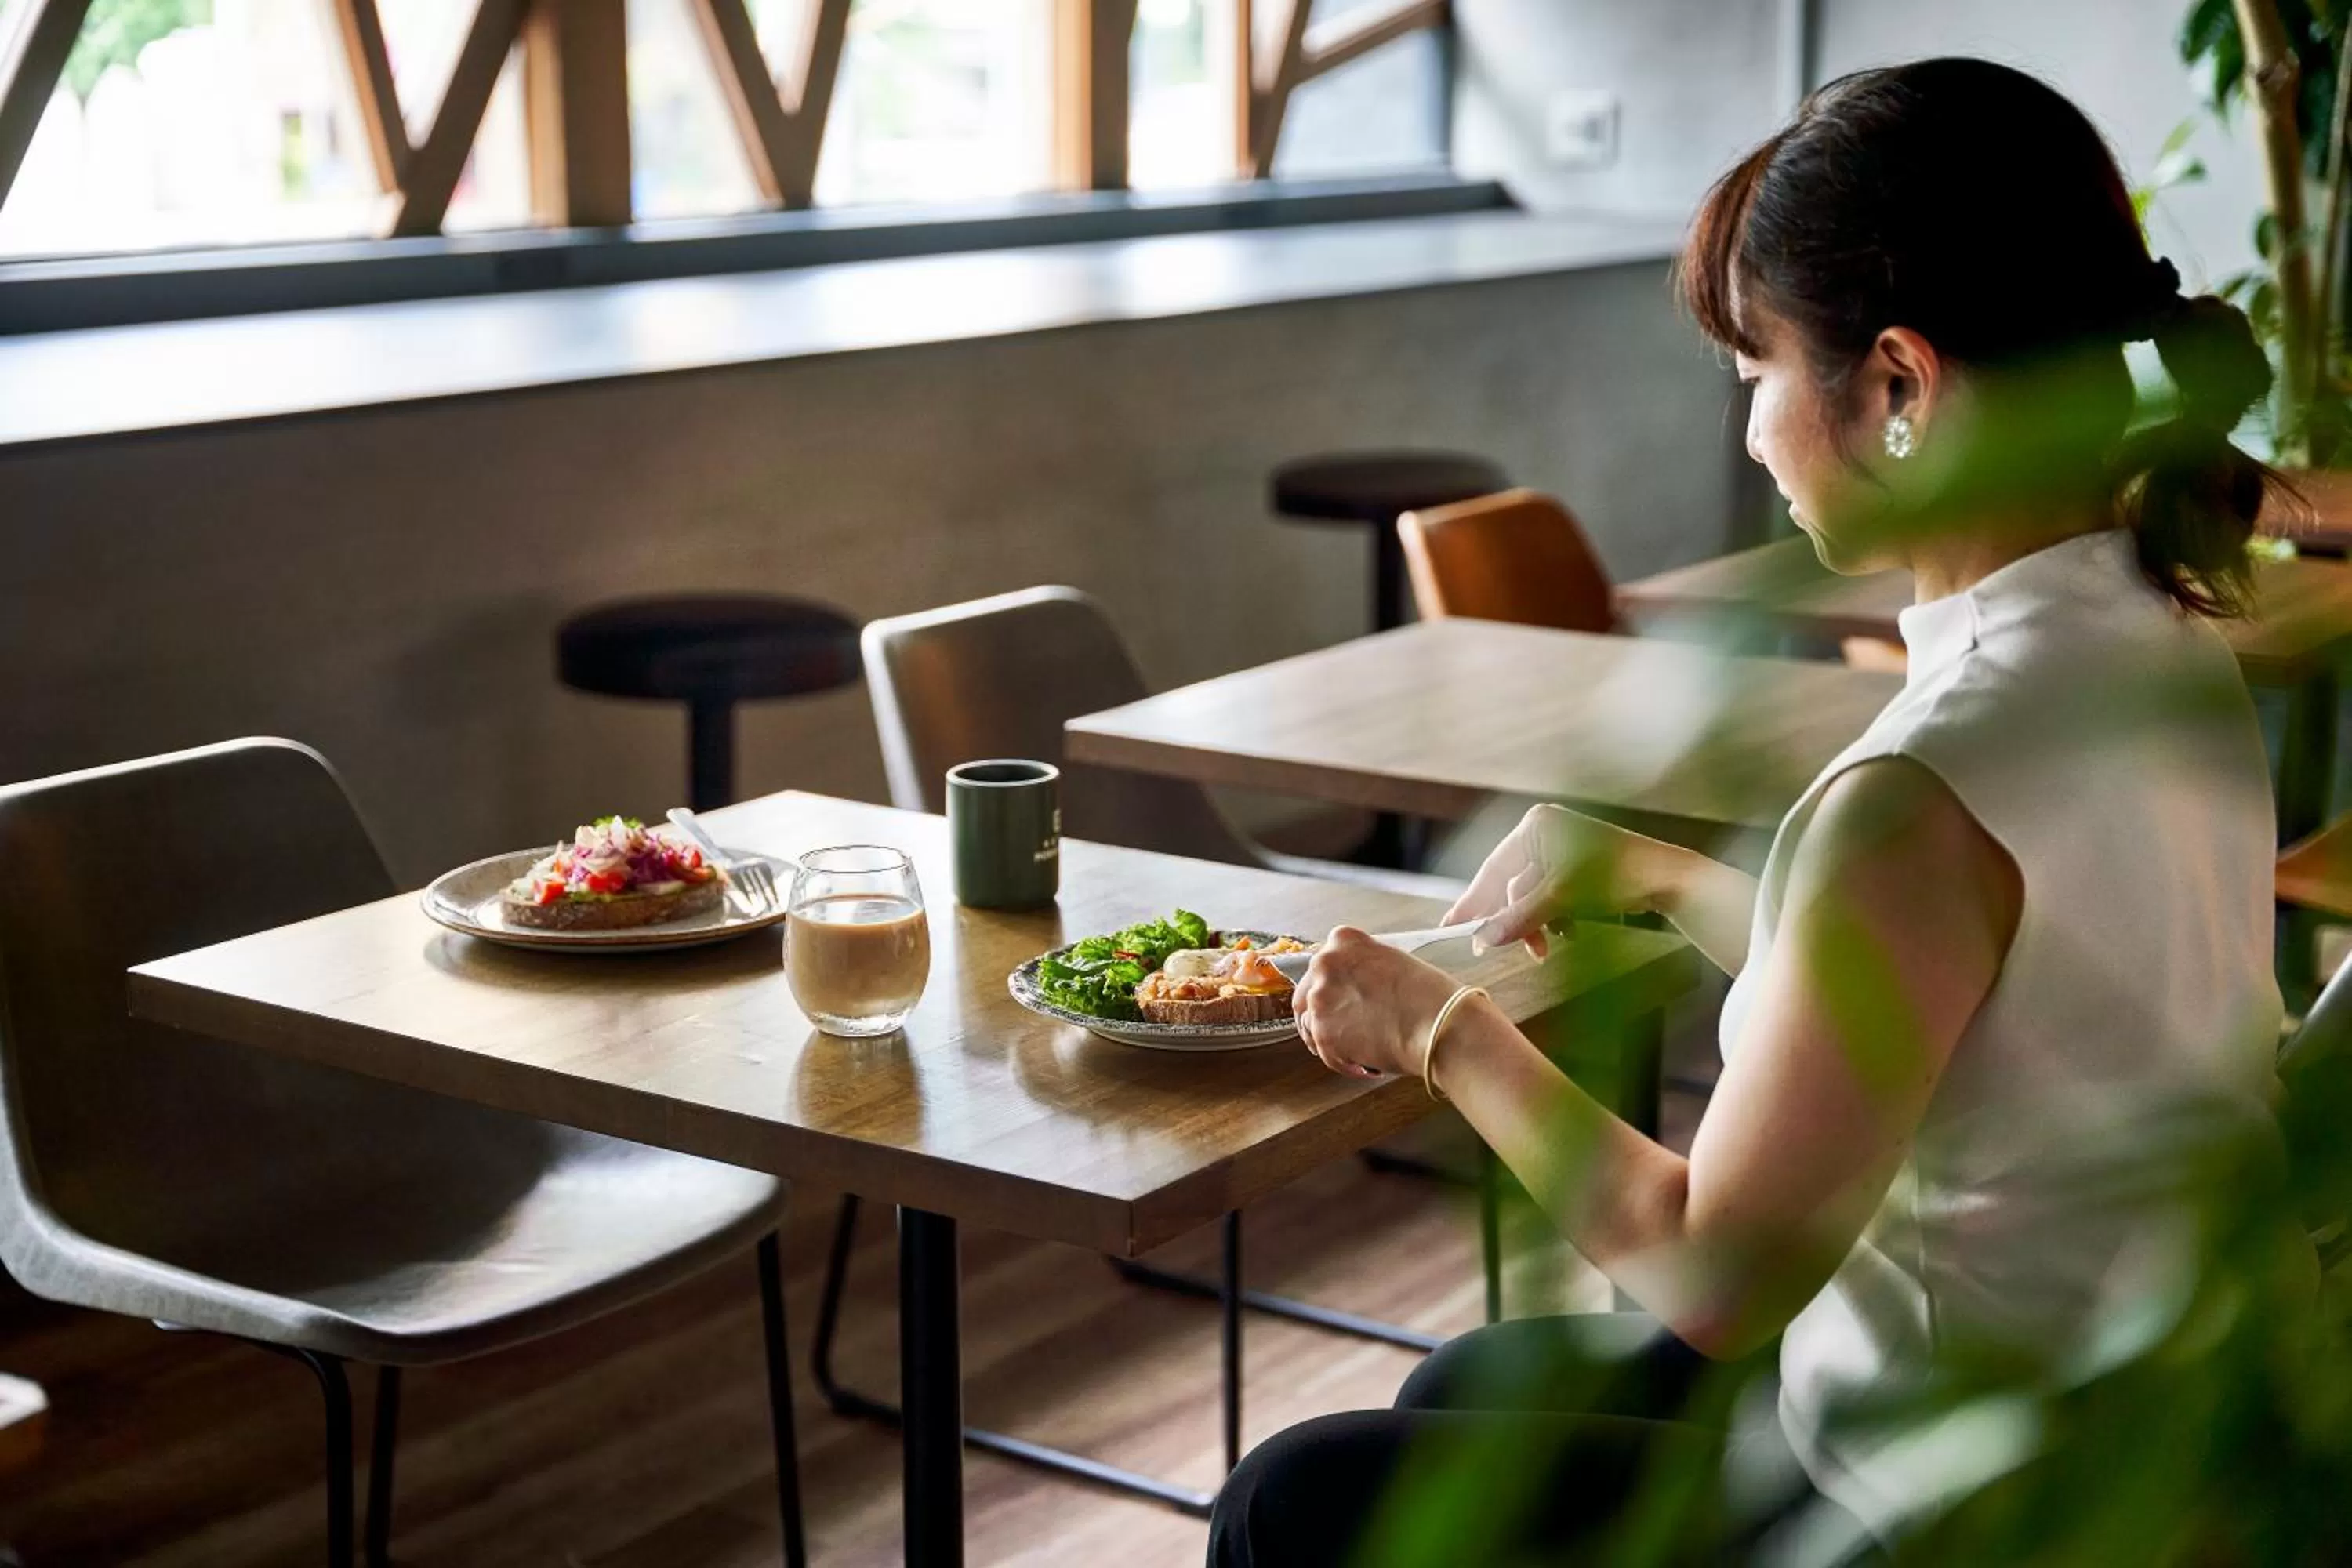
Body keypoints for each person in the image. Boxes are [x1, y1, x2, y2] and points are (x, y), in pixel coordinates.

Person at [1209, 56, 2292, 1566]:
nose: (1752, 434)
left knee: (1287, 1500)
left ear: (1900, 386)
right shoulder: (2156, 637)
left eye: (1754, 372)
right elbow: (1972, 1010)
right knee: (1468, 1380)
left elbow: (1714, 1269)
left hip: (1949, 1498)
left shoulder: (1920, 784)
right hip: (2140, 1417)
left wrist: (1439, 1033)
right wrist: (1653, 871)